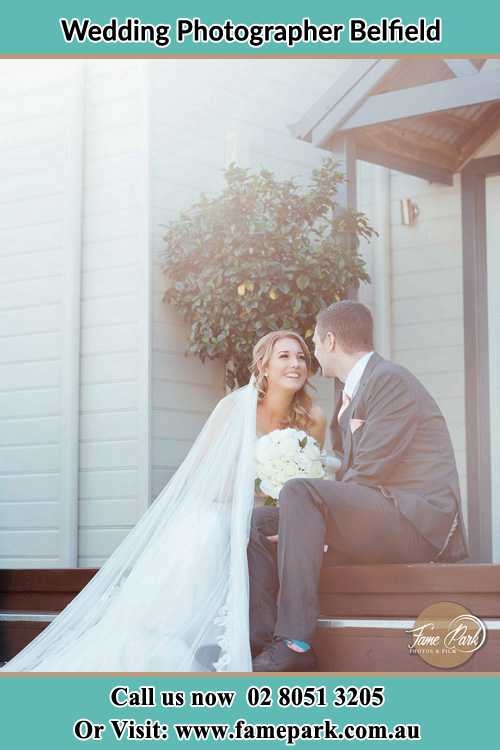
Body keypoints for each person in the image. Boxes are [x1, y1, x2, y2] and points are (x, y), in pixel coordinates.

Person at [1, 330, 325, 673]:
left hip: (270, 517)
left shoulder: (312, 417)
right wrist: (262, 482)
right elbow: (205, 480)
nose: (295, 364)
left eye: (301, 357)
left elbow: (313, 481)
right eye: (284, 356)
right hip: (221, 508)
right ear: (264, 366)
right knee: (213, 533)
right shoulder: (234, 407)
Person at [250, 301, 470, 672]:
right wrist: (305, 524)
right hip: (383, 514)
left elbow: (367, 472)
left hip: (418, 523)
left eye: (315, 345)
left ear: (331, 341)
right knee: (257, 522)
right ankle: (260, 642)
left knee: (299, 493)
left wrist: (317, 523)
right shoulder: (355, 389)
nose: (314, 355)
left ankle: (295, 643)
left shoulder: (389, 380)